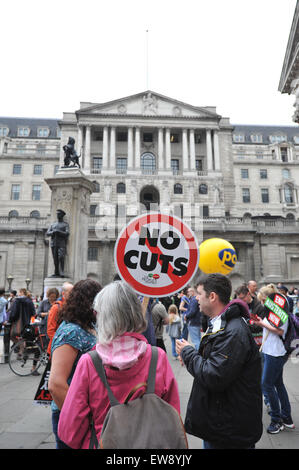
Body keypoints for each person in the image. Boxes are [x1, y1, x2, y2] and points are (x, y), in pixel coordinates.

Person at [57, 281, 180, 449]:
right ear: (136, 313)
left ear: (101, 316)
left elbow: (69, 431)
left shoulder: (89, 363)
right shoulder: (158, 357)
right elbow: (173, 417)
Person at [176, 273, 263, 449]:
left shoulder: (233, 331)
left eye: (199, 294)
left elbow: (214, 375)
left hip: (229, 432)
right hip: (220, 422)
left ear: (213, 296)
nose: (196, 298)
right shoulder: (222, 323)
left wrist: (188, 353)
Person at [48, 279, 101, 449]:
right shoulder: (70, 331)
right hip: (74, 416)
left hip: (89, 412)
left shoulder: (89, 325)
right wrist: (81, 418)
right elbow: (56, 384)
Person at [254, 284, 295, 434]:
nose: (262, 303)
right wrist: (261, 321)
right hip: (271, 350)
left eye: (263, 300)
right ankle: (287, 418)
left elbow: (279, 330)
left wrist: (261, 323)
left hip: (276, 352)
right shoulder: (273, 308)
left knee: (267, 384)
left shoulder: (280, 308)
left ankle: (277, 420)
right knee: (278, 384)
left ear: (269, 298)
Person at [47, 282, 73, 357]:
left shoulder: (72, 306)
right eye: (70, 292)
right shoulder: (56, 308)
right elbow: (50, 331)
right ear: (63, 293)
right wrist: (62, 343)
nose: (73, 294)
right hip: (57, 348)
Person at [46, 209, 70, 277]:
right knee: (55, 258)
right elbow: (47, 233)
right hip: (54, 243)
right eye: (57, 214)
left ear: (62, 215)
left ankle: (62, 271)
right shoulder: (53, 224)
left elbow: (67, 233)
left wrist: (58, 232)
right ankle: (56, 272)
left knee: (61, 257)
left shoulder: (65, 224)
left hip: (61, 243)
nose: (57, 215)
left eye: (59, 214)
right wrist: (53, 232)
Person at [184, 286, 202, 350]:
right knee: (198, 339)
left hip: (192, 322)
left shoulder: (194, 300)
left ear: (192, 292)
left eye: (189, 291)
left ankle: (199, 355)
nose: (188, 293)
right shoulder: (196, 299)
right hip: (197, 322)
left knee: (196, 341)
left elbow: (192, 311)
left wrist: (186, 316)